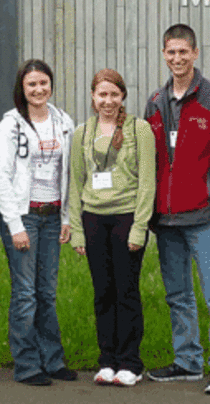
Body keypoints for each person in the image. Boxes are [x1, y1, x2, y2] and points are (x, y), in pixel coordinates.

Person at [143, 24, 210, 396]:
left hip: (204, 215)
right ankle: (186, 362)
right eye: (171, 52)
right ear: (164, 54)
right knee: (178, 295)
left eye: (184, 52)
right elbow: (150, 159)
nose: (177, 59)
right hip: (166, 219)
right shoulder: (155, 101)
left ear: (195, 53)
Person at [0, 59, 79, 386]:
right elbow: (1, 178)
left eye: (44, 83)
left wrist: (68, 217)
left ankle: (52, 360)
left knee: (47, 292)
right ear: (22, 89)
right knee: (25, 293)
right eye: (32, 85)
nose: (39, 89)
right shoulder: (10, 126)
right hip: (24, 216)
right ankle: (27, 365)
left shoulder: (64, 122)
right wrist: (14, 225)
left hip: (53, 217)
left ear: (51, 85)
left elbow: (68, 175)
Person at [68, 69, 156, 387]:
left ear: (123, 97)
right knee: (103, 292)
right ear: (93, 97)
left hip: (127, 218)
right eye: (102, 95)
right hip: (94, 220)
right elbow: (76, 185)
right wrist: (77, 230)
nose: (108, 101)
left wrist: (139, 227)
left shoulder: (139, 129)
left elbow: (147, 183)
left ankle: (130, 362)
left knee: (126, 291)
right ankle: (107, 360)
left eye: (114, 95)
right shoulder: (82, 133)